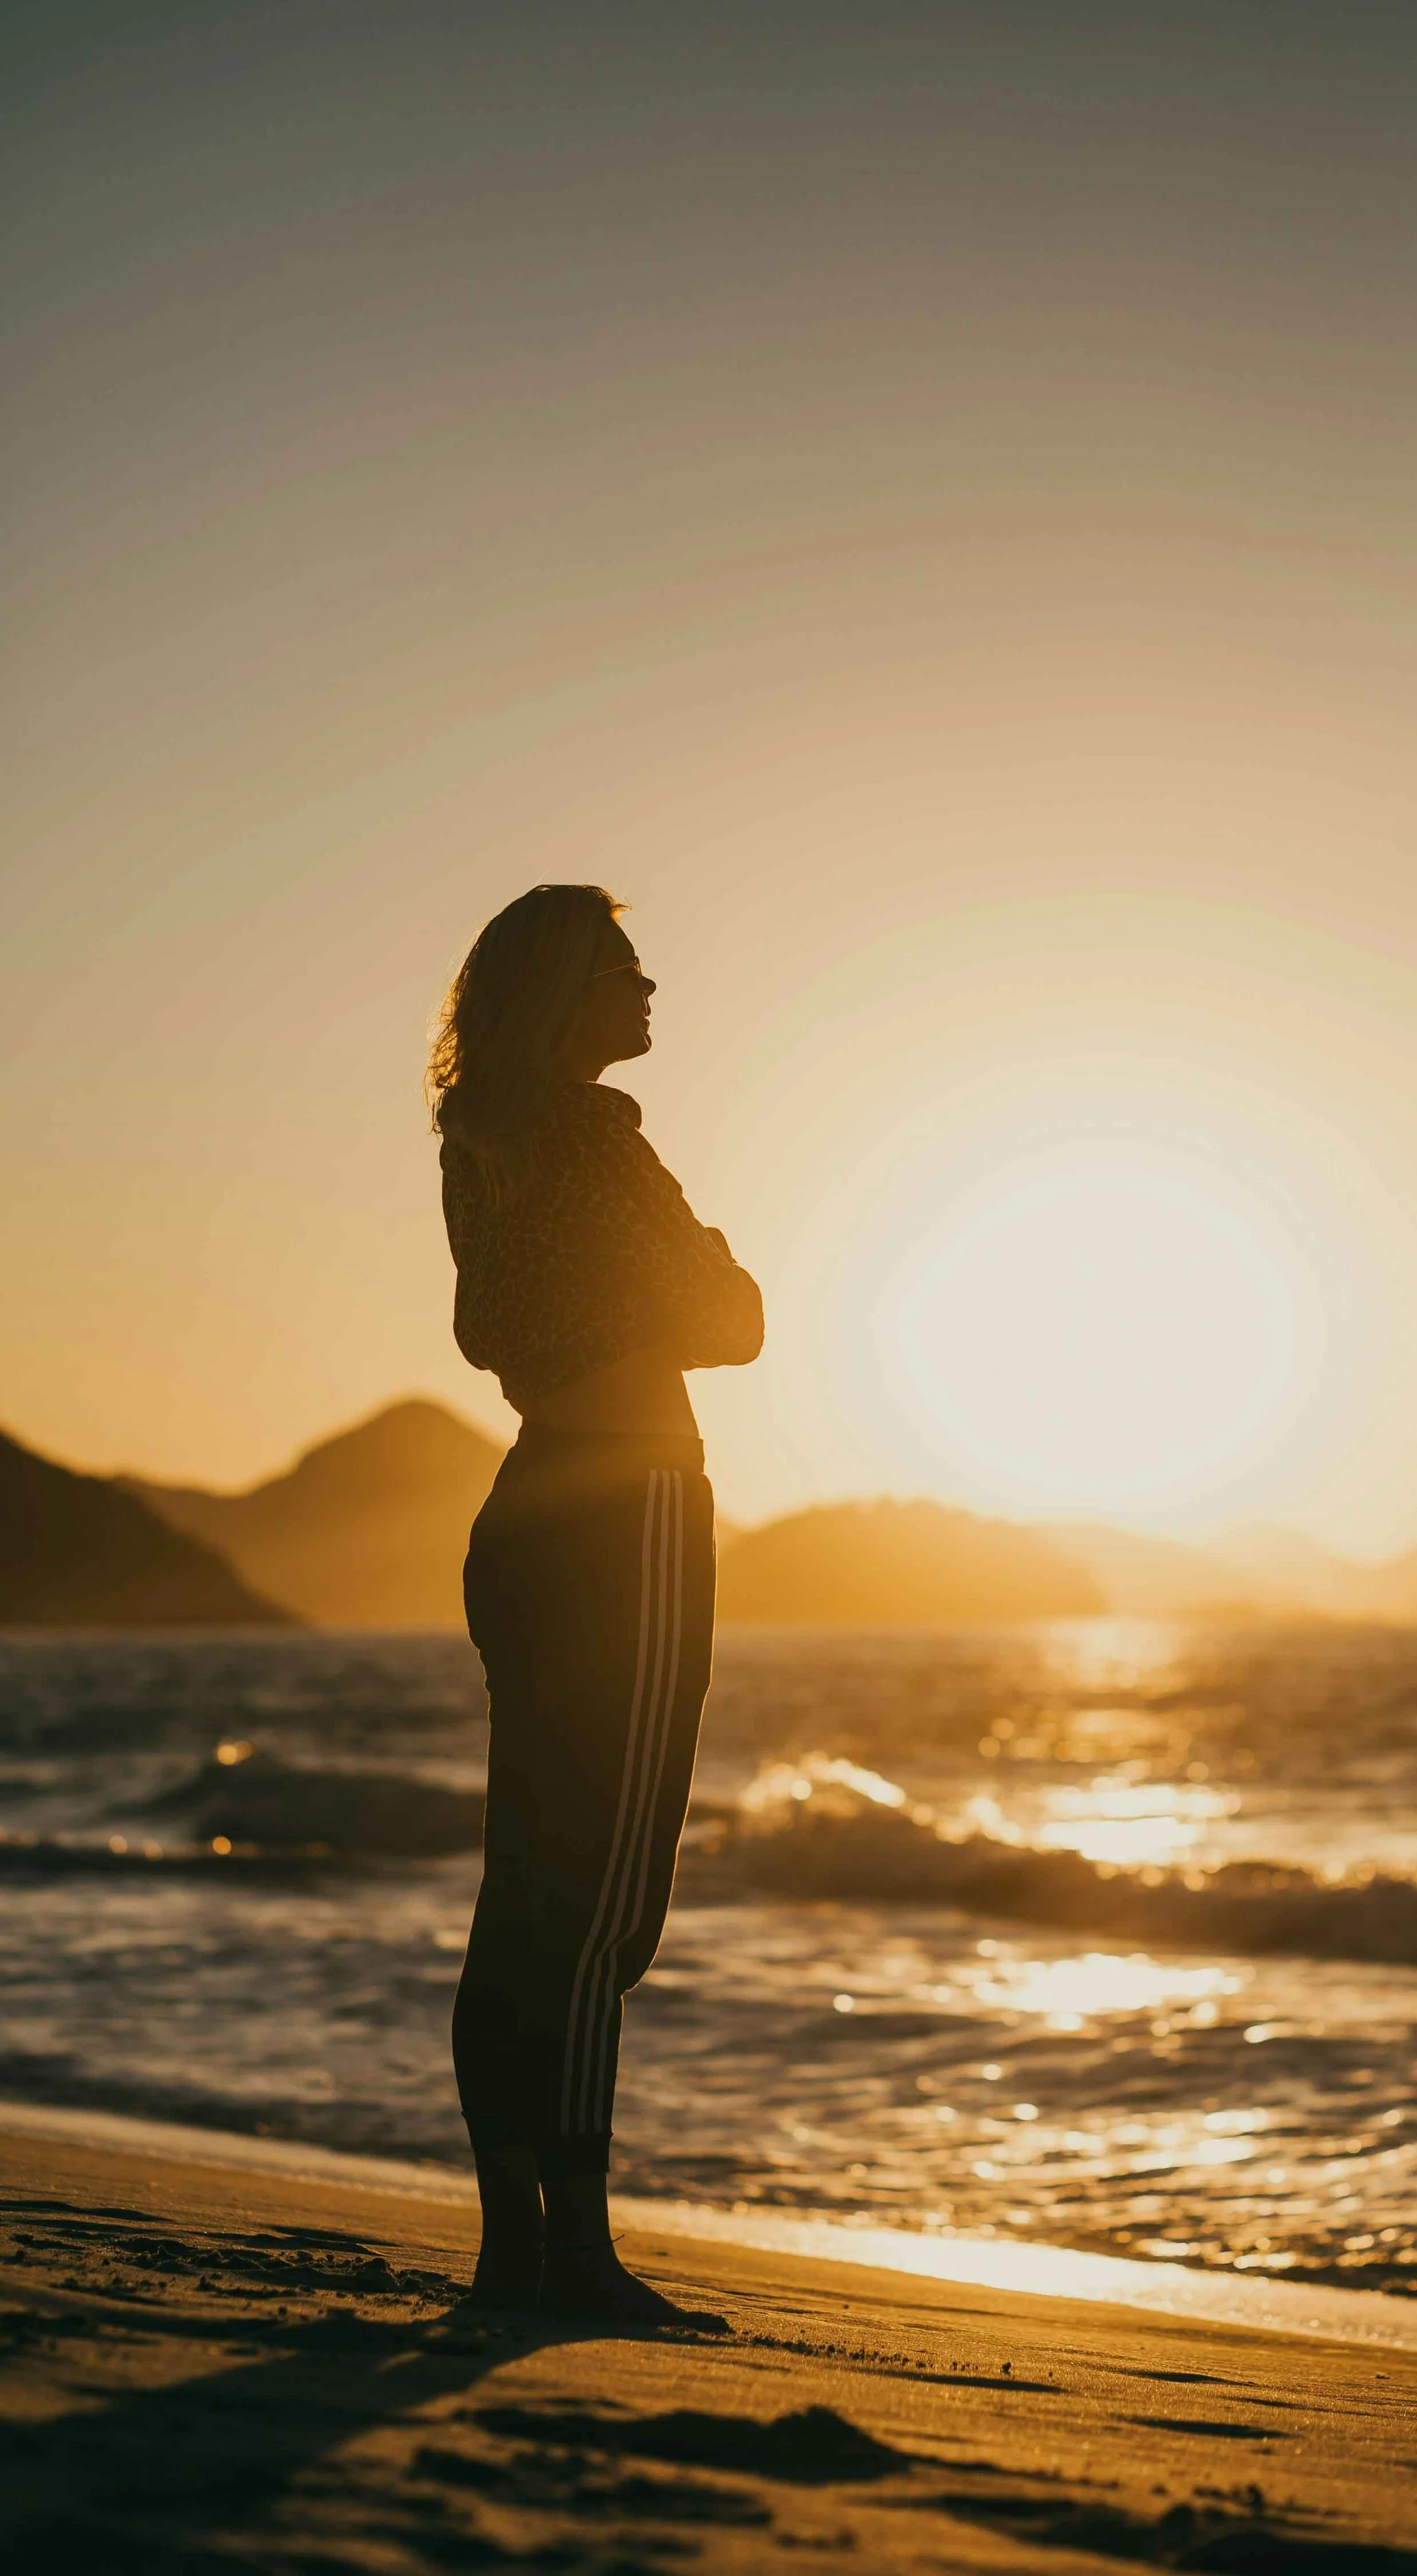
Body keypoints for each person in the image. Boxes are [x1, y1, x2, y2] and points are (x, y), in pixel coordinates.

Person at [429, 883, 763, 2323]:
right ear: (564, 989)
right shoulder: (595, 1140)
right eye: (624, 969)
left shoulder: (477, 1147)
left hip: (530, 1507)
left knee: (529, 1895)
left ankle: (521, 2245)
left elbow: (519, 1328)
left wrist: (664, 1298)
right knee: (603, 1905)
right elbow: (737, 1319)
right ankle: (572, 2258)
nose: (648, 992)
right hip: (629, 1507)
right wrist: (680, 1284)